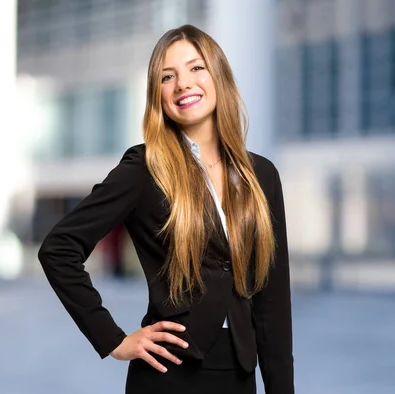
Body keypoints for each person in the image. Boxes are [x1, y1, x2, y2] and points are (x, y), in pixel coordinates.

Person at [38, 24, 294, 394]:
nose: (182, 84)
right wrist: (113, 339)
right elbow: (58, 248)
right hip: (168, 374)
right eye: (167, 76)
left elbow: (272, 303)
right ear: (157, 93)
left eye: (196, 68)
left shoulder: (261, 175)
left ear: (218, 75)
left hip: (239, 374)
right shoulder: (144, 168)